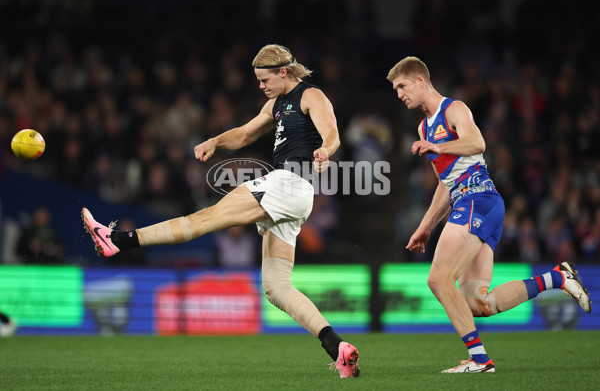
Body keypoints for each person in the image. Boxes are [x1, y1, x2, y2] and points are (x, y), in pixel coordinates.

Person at [82, 44, 360, 378]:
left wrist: (325, 151)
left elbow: (332, 133)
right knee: (277, 288)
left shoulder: (311, 95)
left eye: (264, 79)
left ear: (283, 72)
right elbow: (244, 134)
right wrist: (214, 140)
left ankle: (118, 240)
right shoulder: (276, 104)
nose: (260, 86)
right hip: (295, 195)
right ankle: (337, 348)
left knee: (205, 219)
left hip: (289, 183)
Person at [387, 56, 591, 373]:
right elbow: (445, 182)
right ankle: (557, 277)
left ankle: (480, 360)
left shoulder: (454, 110)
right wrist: (425, 226)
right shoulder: (424, 126)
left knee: (439, 280)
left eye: (402, 86)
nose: (399, 94)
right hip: (475, 203)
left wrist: (439, 148)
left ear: (420, 81)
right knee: (479, 305)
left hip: (477, 201)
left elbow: (477, 141)